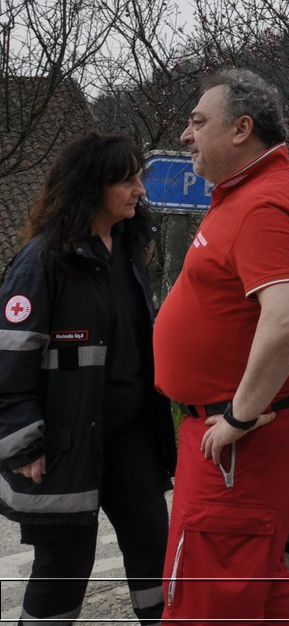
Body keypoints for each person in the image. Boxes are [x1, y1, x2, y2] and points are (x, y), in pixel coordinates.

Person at [153, 69, 289, 624]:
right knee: (253, 569)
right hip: (236, 432)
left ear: (241, 130)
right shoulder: (254, 191)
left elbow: (288, 316)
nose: (186, 135)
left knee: (215, 585)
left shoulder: (262, 205)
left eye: (198, 122)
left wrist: (239, 416)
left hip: (239, 439)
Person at [0, 132, 175, 624]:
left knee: (155, 552)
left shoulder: (130, 249)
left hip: (130, 435)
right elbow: (10, 359)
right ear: (92, 185)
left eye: (139, 177)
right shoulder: (44, 261)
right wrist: (23, 443)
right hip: (63, 441)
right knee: (63, 567)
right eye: (128, 179)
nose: (139, 189)